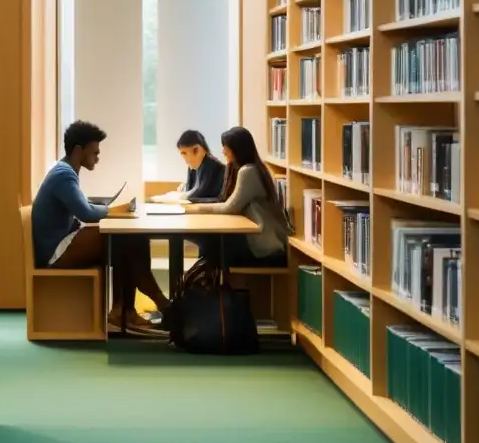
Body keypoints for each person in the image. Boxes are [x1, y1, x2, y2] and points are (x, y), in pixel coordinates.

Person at [30, 120, 170, 333]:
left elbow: (84, 206)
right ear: (79, 150)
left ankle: (127, 310)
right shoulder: (63, 174)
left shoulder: (66, 171)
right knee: (126, 241)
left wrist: (111, 209)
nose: (98, 155)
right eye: (94, 150)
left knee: (131, 241)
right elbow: (86, 213)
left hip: (63, 240)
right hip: (55, 251)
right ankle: (159, 307)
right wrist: (114, 210)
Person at [184, 126, 290, 268]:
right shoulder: (247, 168)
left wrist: (194, 208)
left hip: (264, 246)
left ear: (237, 149)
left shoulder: (248, 172)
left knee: (211, 243)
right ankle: (207, 285)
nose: (223, 151)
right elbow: (225, 200)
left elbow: (230, 206)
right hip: (259, 239)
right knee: (211, 243)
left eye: (226, 148)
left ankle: (208, 286)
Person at [152, 130, 225, 203]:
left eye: (184, 153)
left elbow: (200, 191)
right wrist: (184, 188)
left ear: (197, 150)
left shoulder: (211, 164)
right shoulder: (193, 166)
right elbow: (190, 188)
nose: (183, 157)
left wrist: (182, 196)